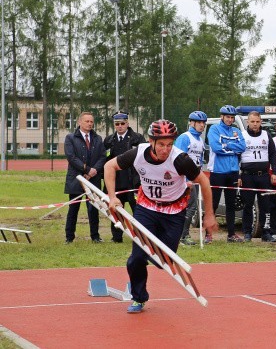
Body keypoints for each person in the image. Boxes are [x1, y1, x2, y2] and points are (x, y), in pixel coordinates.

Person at [104, 119, 218, 313]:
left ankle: (155, 255)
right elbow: (109, 166)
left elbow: (204, 183)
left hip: (174, 211)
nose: (166, 149)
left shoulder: (180, 159)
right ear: (151, 141)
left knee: (163, 261)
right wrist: (112, 197)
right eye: (161, 144)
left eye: (169, 144)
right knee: (136, 259)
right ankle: (139, 298)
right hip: (146, 208)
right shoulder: (138, 153)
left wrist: (209, 216)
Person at [103, 111, 146, 243]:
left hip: (133, 181)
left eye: (122, 123)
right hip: (116, 182)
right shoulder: (109, 140)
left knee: (137, 210)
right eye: (117, 124)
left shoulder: (137, 138)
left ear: (127, 123)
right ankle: (117, 237)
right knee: (116, 211)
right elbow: (105, 161)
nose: (120, 126)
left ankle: (140, 236)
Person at [64, 112, 106, 244]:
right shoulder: (70, 138)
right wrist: (87, 170)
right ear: (79, 122)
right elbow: (71, 157)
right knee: (73, 209)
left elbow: (103, 156)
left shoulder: (98, 138)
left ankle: (95, 236)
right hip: (76, 179)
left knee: (93, 208)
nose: (89, 124)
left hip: (93, 179)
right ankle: (69, 237)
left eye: (91, 122)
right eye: (87, 121)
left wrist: (93, 172)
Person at [207, 105, 246, 243]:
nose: (230, 120)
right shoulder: (214, 129)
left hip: (233, 172)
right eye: (227, 117)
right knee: (213, 204)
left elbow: (242, 147)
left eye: (232, 117)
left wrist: (226, 145)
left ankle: (231, 234)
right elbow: (216, 147)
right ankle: (208, 235)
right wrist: (232, 147)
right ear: (221, 117)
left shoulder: (236, 131)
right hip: (218, 172)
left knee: (231, 204)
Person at [239, 111, 276, 242]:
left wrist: (275, 172)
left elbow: (273, 155)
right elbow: (237, 155)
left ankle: (265, 232)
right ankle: (247, 232)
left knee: (265, 206)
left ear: (260, 122)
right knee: (248, 205)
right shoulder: (242, 135)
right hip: (247, 176)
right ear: (248, 122)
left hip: (263, 176)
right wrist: (238, 175)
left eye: (257, 122)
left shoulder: (266, 135)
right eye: (252, 122)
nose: (255, 124)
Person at [174, 111, 208, 245]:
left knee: (191, 207)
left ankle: (182, 234)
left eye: (203, 123)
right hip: (185, 179)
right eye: (199, 122)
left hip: (195, 177)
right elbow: (178, 159)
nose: (202, 125)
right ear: (191, 123)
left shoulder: (200, 139)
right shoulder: (185, 137)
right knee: (190, 207)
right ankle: (183, 236)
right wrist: (186, 180)